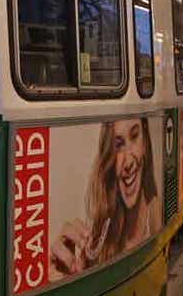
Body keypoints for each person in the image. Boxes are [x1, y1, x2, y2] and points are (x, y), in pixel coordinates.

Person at [50, 118, 162, 277]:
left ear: (145, 142)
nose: (128, 161)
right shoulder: (97, 237)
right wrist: (65, 278)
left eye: (135, 136)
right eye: (118, 146)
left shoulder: (158, 216)